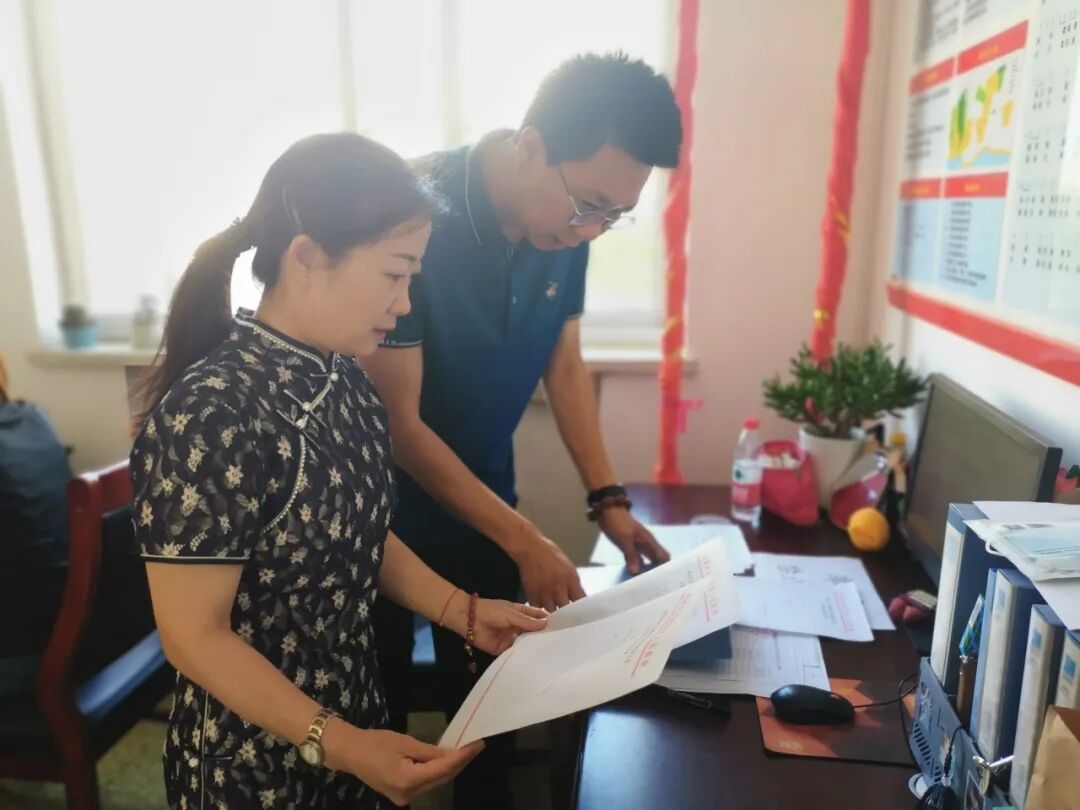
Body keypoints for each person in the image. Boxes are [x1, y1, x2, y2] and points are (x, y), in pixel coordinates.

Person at [131, 133, 547, 809]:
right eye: (393, 275)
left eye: (412, 279)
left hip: (350, 718)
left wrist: (463, 612)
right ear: (307, 258)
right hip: (252, 763)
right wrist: (342, 743)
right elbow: (192, 636)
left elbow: (357, 533)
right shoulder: (211, 413)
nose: (404, 303)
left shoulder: (346, 381)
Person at [364, 52, 683, 808]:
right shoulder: (413, 214)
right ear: (531, 145)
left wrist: (608, 499)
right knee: (377, 725)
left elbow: (563, 365)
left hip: (485, 507)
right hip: (381, 522)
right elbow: (400, 428)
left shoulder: (563, 233)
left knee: (491, 725)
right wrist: (528, 541)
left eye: (616, 215)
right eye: (590, 204)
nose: (594, 229)